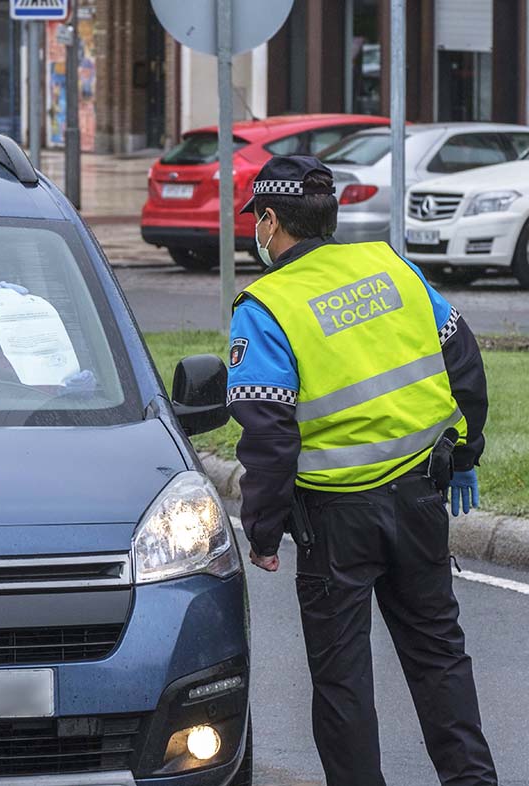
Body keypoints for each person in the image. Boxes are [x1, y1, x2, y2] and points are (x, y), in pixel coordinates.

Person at [228, 155, 496, 786]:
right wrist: (465, 452)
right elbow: (464, 358)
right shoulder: (391, 265)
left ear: (269, 221)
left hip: (334, 523)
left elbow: (268, 433)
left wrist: (262, 531)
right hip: (419, 500)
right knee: (439, 658)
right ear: (330, 214)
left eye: (257, 223)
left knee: (343, 680)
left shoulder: (265, 305)